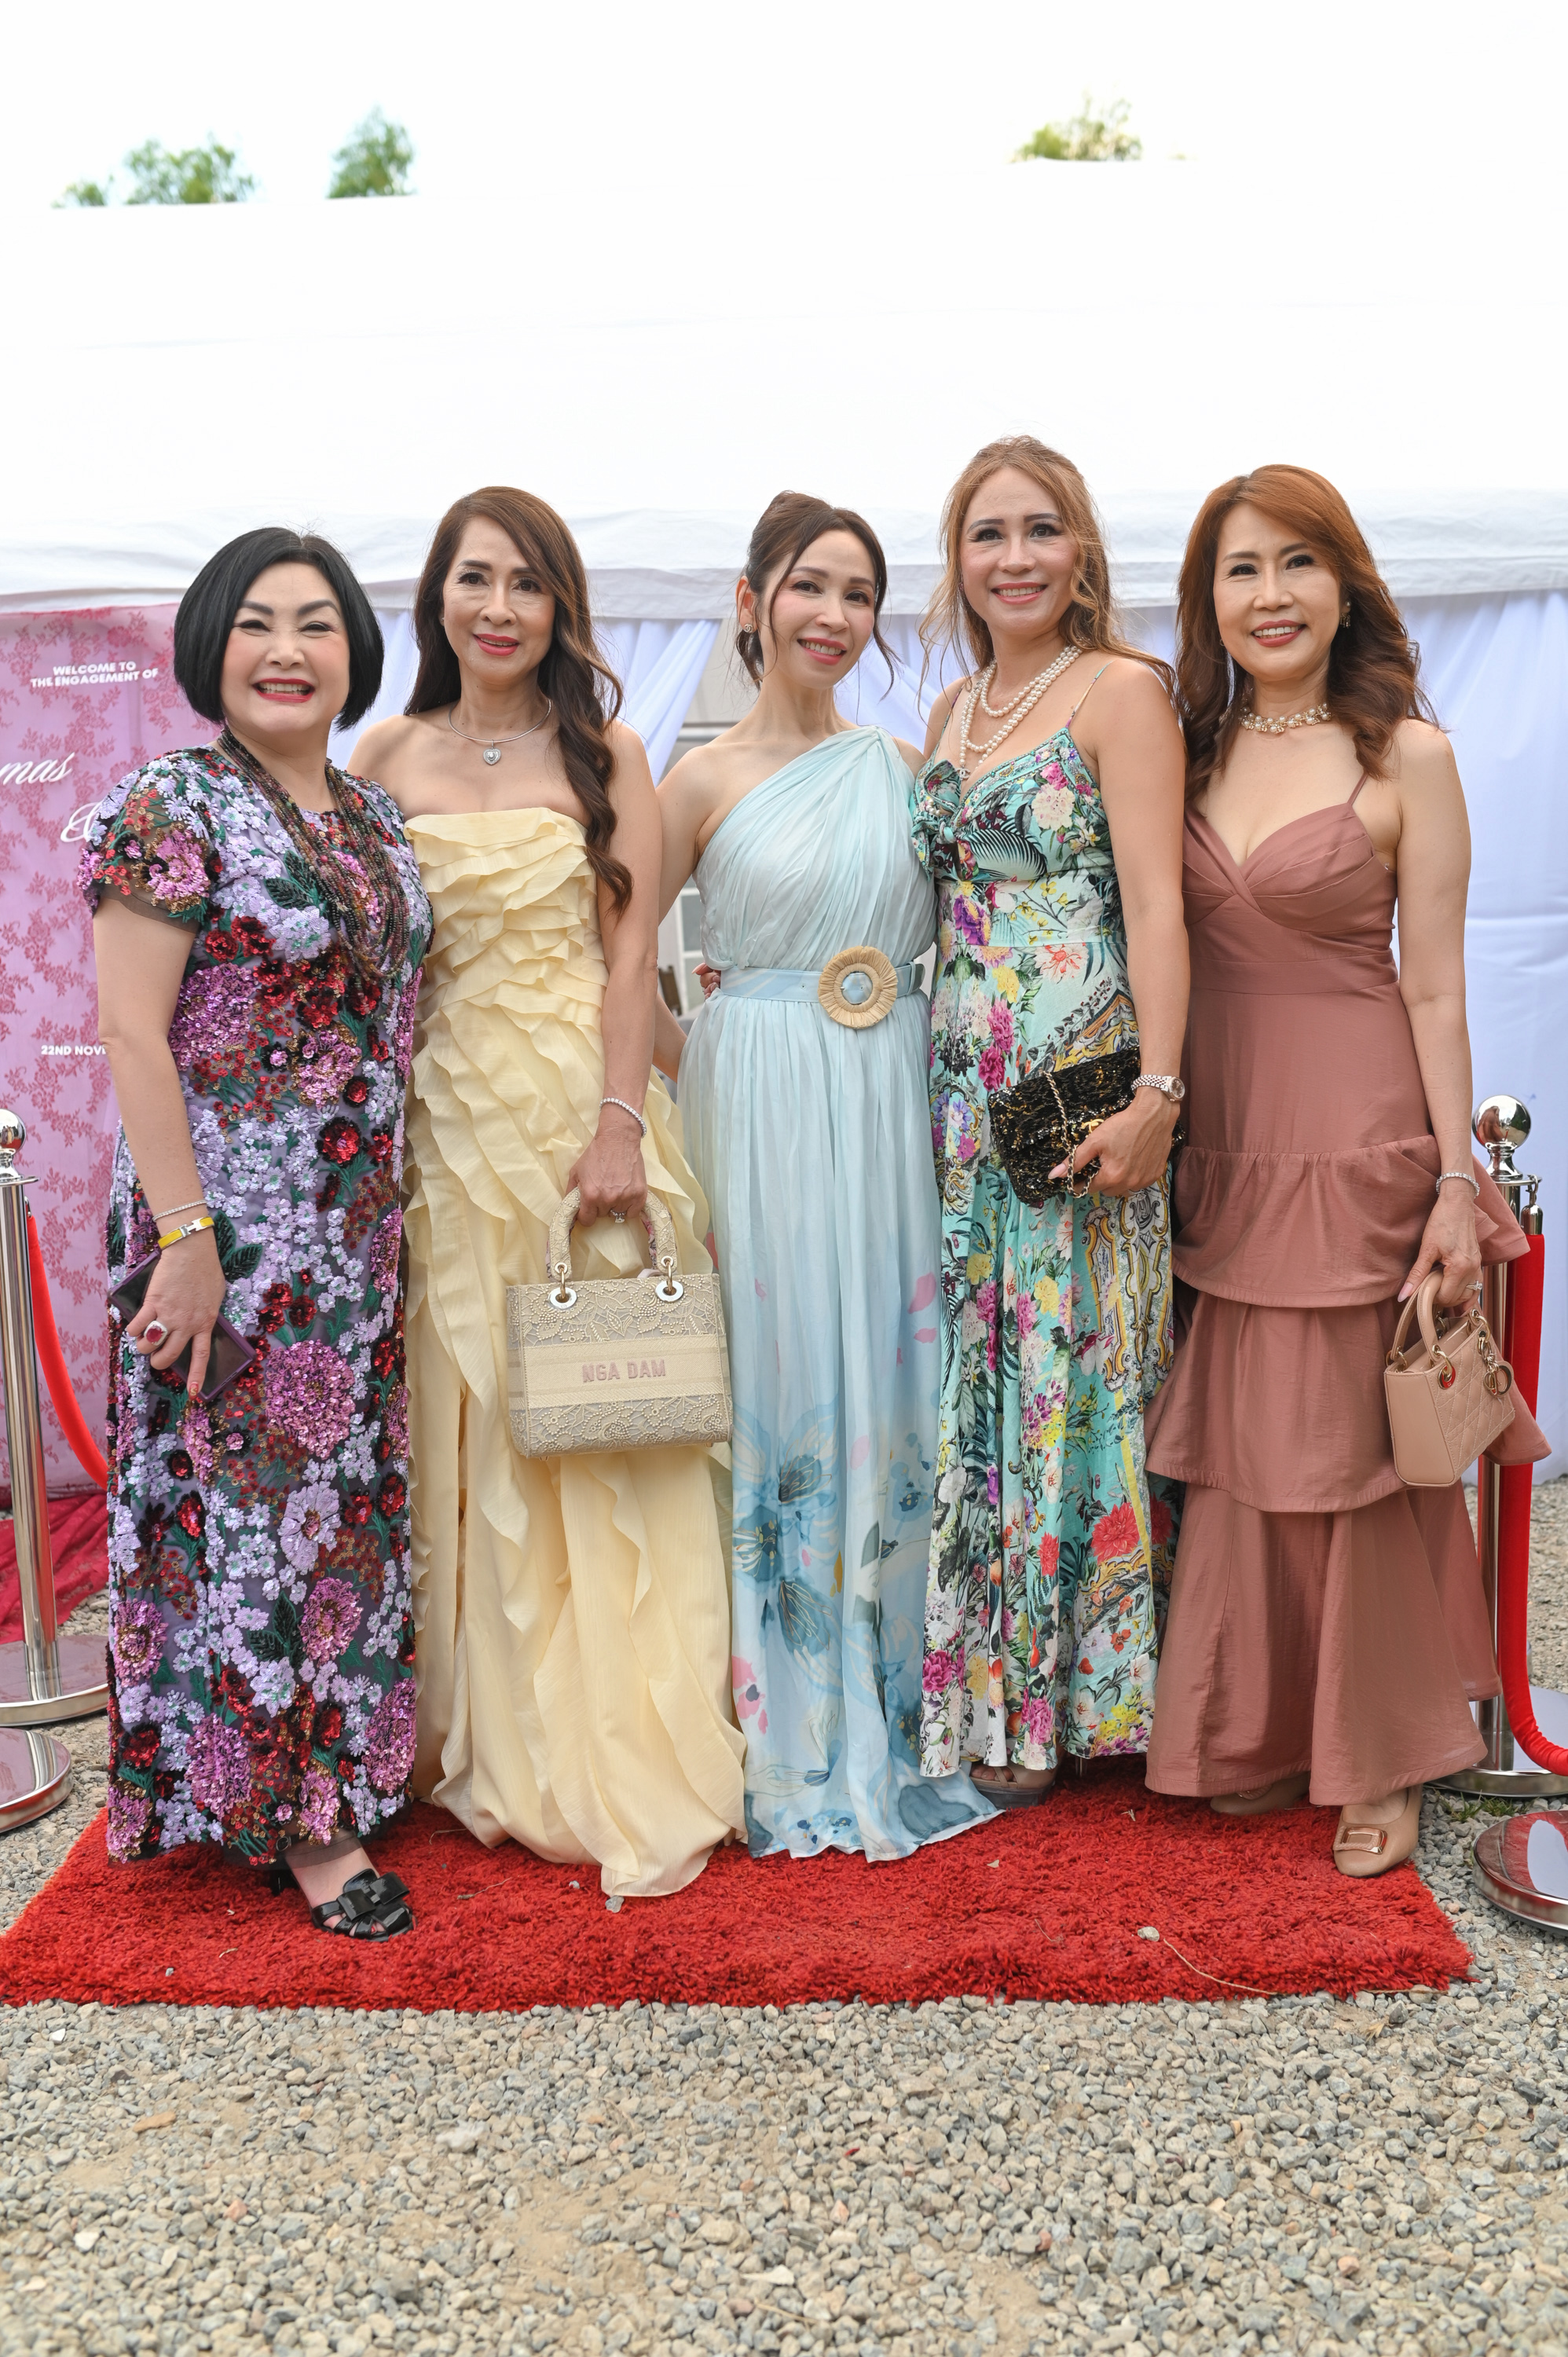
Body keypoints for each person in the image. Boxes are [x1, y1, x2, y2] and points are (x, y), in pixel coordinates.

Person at [1143, 464, 1547, 1875]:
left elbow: (1433, 988)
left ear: (1346, 584)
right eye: (1242, 568)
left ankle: (1384, 1749)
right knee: (1248, 1447)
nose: (1272, 594)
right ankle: (1254, 1725)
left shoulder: (1407, 755)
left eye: (1298, 562)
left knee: (1361, 1454)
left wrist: (1453, 1184)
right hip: (1228, 1139)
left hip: (1360, 1134)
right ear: (1208, 597)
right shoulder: (1183, 750)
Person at [352, 486, 744, 1901]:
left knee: (605, 1412)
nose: (499, 608)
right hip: (440, 1128)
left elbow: (632, 956)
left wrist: (621, 1124)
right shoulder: (383, 753)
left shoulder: (609, 752)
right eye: (476, 579)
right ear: (438, 598)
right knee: (465, 1417)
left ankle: (615, 1732)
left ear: (561, 606)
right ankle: (476, 1718)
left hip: (580, 1115)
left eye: (526, 583)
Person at [85, 528, 432, 1941]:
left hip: (353, 1237)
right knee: (248, 1513)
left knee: (340, 1512)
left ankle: (340, 1764)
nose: (288, 650)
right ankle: (300, 1824)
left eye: (317, 624)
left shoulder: (372, 815)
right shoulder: (173, 805)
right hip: (225, 1228)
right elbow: (131, 1032)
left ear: (355, 650)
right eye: (257, 623)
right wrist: (187, 1239)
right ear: (210, 647)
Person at [656, 491, 993, 1860]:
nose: (834, 616)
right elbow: (608, 965)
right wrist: (699, 1055)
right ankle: (776, 1709)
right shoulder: (693, 782)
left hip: (890, 1093)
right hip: (756, 1101)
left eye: (859, 594)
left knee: (896, 1364)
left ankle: (898, 1694)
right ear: (752, 602)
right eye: (809, 587)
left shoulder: (906, 768)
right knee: (778, 1361)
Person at [911, 437, 1189, 1805]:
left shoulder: (1122, 692)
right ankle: (995, 1690)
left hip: (1078, 1085)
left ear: (1081, 550)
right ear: (957, 561)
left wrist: (1159, 1097)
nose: (1013, 558)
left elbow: (1160, 906)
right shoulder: (951, 709)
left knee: (1074, 1370)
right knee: (985, 1371)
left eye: (1039, 530)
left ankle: (1084, 1701)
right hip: (962, 1092)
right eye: (988, 534)